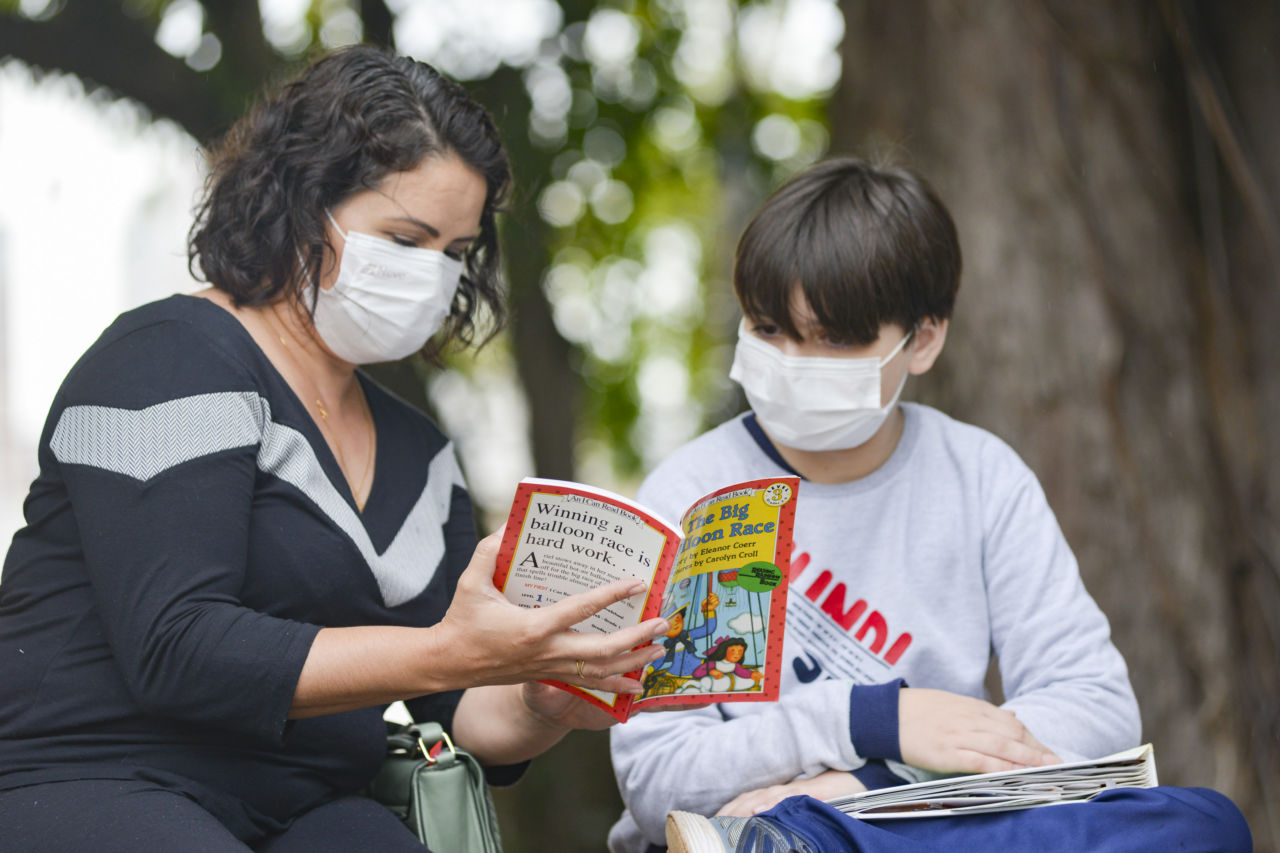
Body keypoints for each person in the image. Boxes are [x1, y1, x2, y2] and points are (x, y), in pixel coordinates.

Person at [0, 46, 669, 853]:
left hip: (308, 803)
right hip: (98, 775)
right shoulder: (165, 358)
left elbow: (454, 702)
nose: (432, 277)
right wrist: (445, 651)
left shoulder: (421, 454)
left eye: (454, 253)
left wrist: (541, 700)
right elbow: (176, 647)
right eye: (405, 238)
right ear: (299, 204)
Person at [608, 158, 1251, 852]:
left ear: (924, 338)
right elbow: (659, 780)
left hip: (938, 824)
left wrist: (878, 779)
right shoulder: (697, 497)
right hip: (741, 832)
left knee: (1205, 824)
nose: (793, 360)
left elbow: (1097, 706)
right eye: (768, 329)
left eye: (835, 337)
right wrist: (868, 719)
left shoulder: (980, 476)